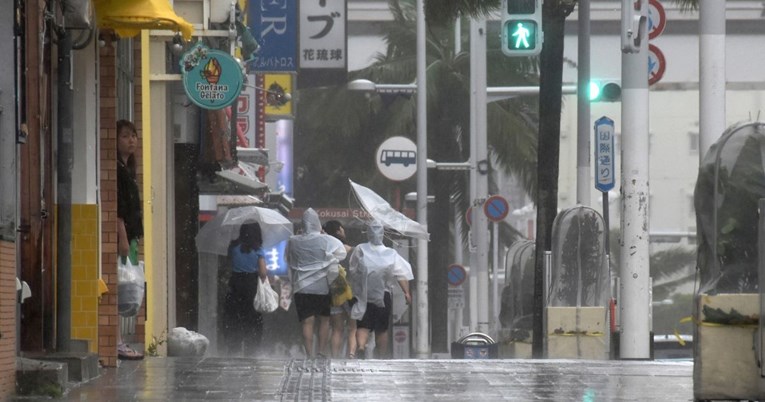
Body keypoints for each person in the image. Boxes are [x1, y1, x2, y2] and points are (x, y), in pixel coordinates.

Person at [349, 220, 412, 359]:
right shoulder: (390, 253)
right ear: (382, 234)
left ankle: (360, 346)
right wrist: (406, 292)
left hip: (363, 295)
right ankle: (382, 356)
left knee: (363, 325)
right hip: (383, 295)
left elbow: (353, 270)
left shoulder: (360, 249)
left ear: (368, 234)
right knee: (382, 329)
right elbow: (401, 274)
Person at [287, 208, 347, 358]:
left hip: (301, 287)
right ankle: (320, 352)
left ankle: (309, 354)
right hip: (322, 287)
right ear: (318, 224)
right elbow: (342, 253)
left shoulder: (293, 240)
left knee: (307, 322)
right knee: (324, 321)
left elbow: (288, 258)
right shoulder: (326, 240)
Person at [116, 120, 144, 360]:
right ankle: (116, 341)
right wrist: (123, 239)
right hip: (123, 240)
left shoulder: (127, 170)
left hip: (131, 238)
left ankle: (119, 340)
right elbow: (119, 210)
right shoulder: (117, 171)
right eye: (125, 136)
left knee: (125, 287)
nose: (131, 140)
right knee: (118, 287)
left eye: (133, 135)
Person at [222, 222, 269, 357]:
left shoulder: (233, 247)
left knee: (234, 316)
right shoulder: (258, 249)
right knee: (252, 317)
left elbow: (228, 264)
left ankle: (234, 346)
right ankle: (251, 348)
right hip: (251, 286)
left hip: (235, 284)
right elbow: (263, 273)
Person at [322, 220, 357, 358]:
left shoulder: (326, 251)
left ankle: (335, 356)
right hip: (350, 293)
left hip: (334, 292)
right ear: (338, 231)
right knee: (353, 327)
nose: (344, 232)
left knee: (337, 328)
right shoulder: (352, 251)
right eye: (342, 229)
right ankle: (351, 354)